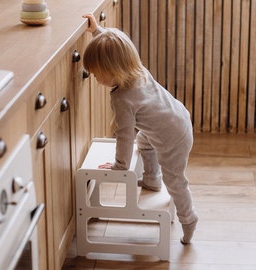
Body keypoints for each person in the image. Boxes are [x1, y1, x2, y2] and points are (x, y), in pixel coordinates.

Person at [82, 13, 198, 245]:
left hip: (172, 138)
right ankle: (152, 180)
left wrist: (120, 166)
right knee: (144, 141)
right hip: (177, 117)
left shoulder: (122, 98)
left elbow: (124, 136)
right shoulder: (135, 69)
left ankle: (189, 219)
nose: (94, 78)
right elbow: (116, 48)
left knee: (175, 180)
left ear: (112, 71)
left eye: (96, 73)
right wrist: (98, 31)